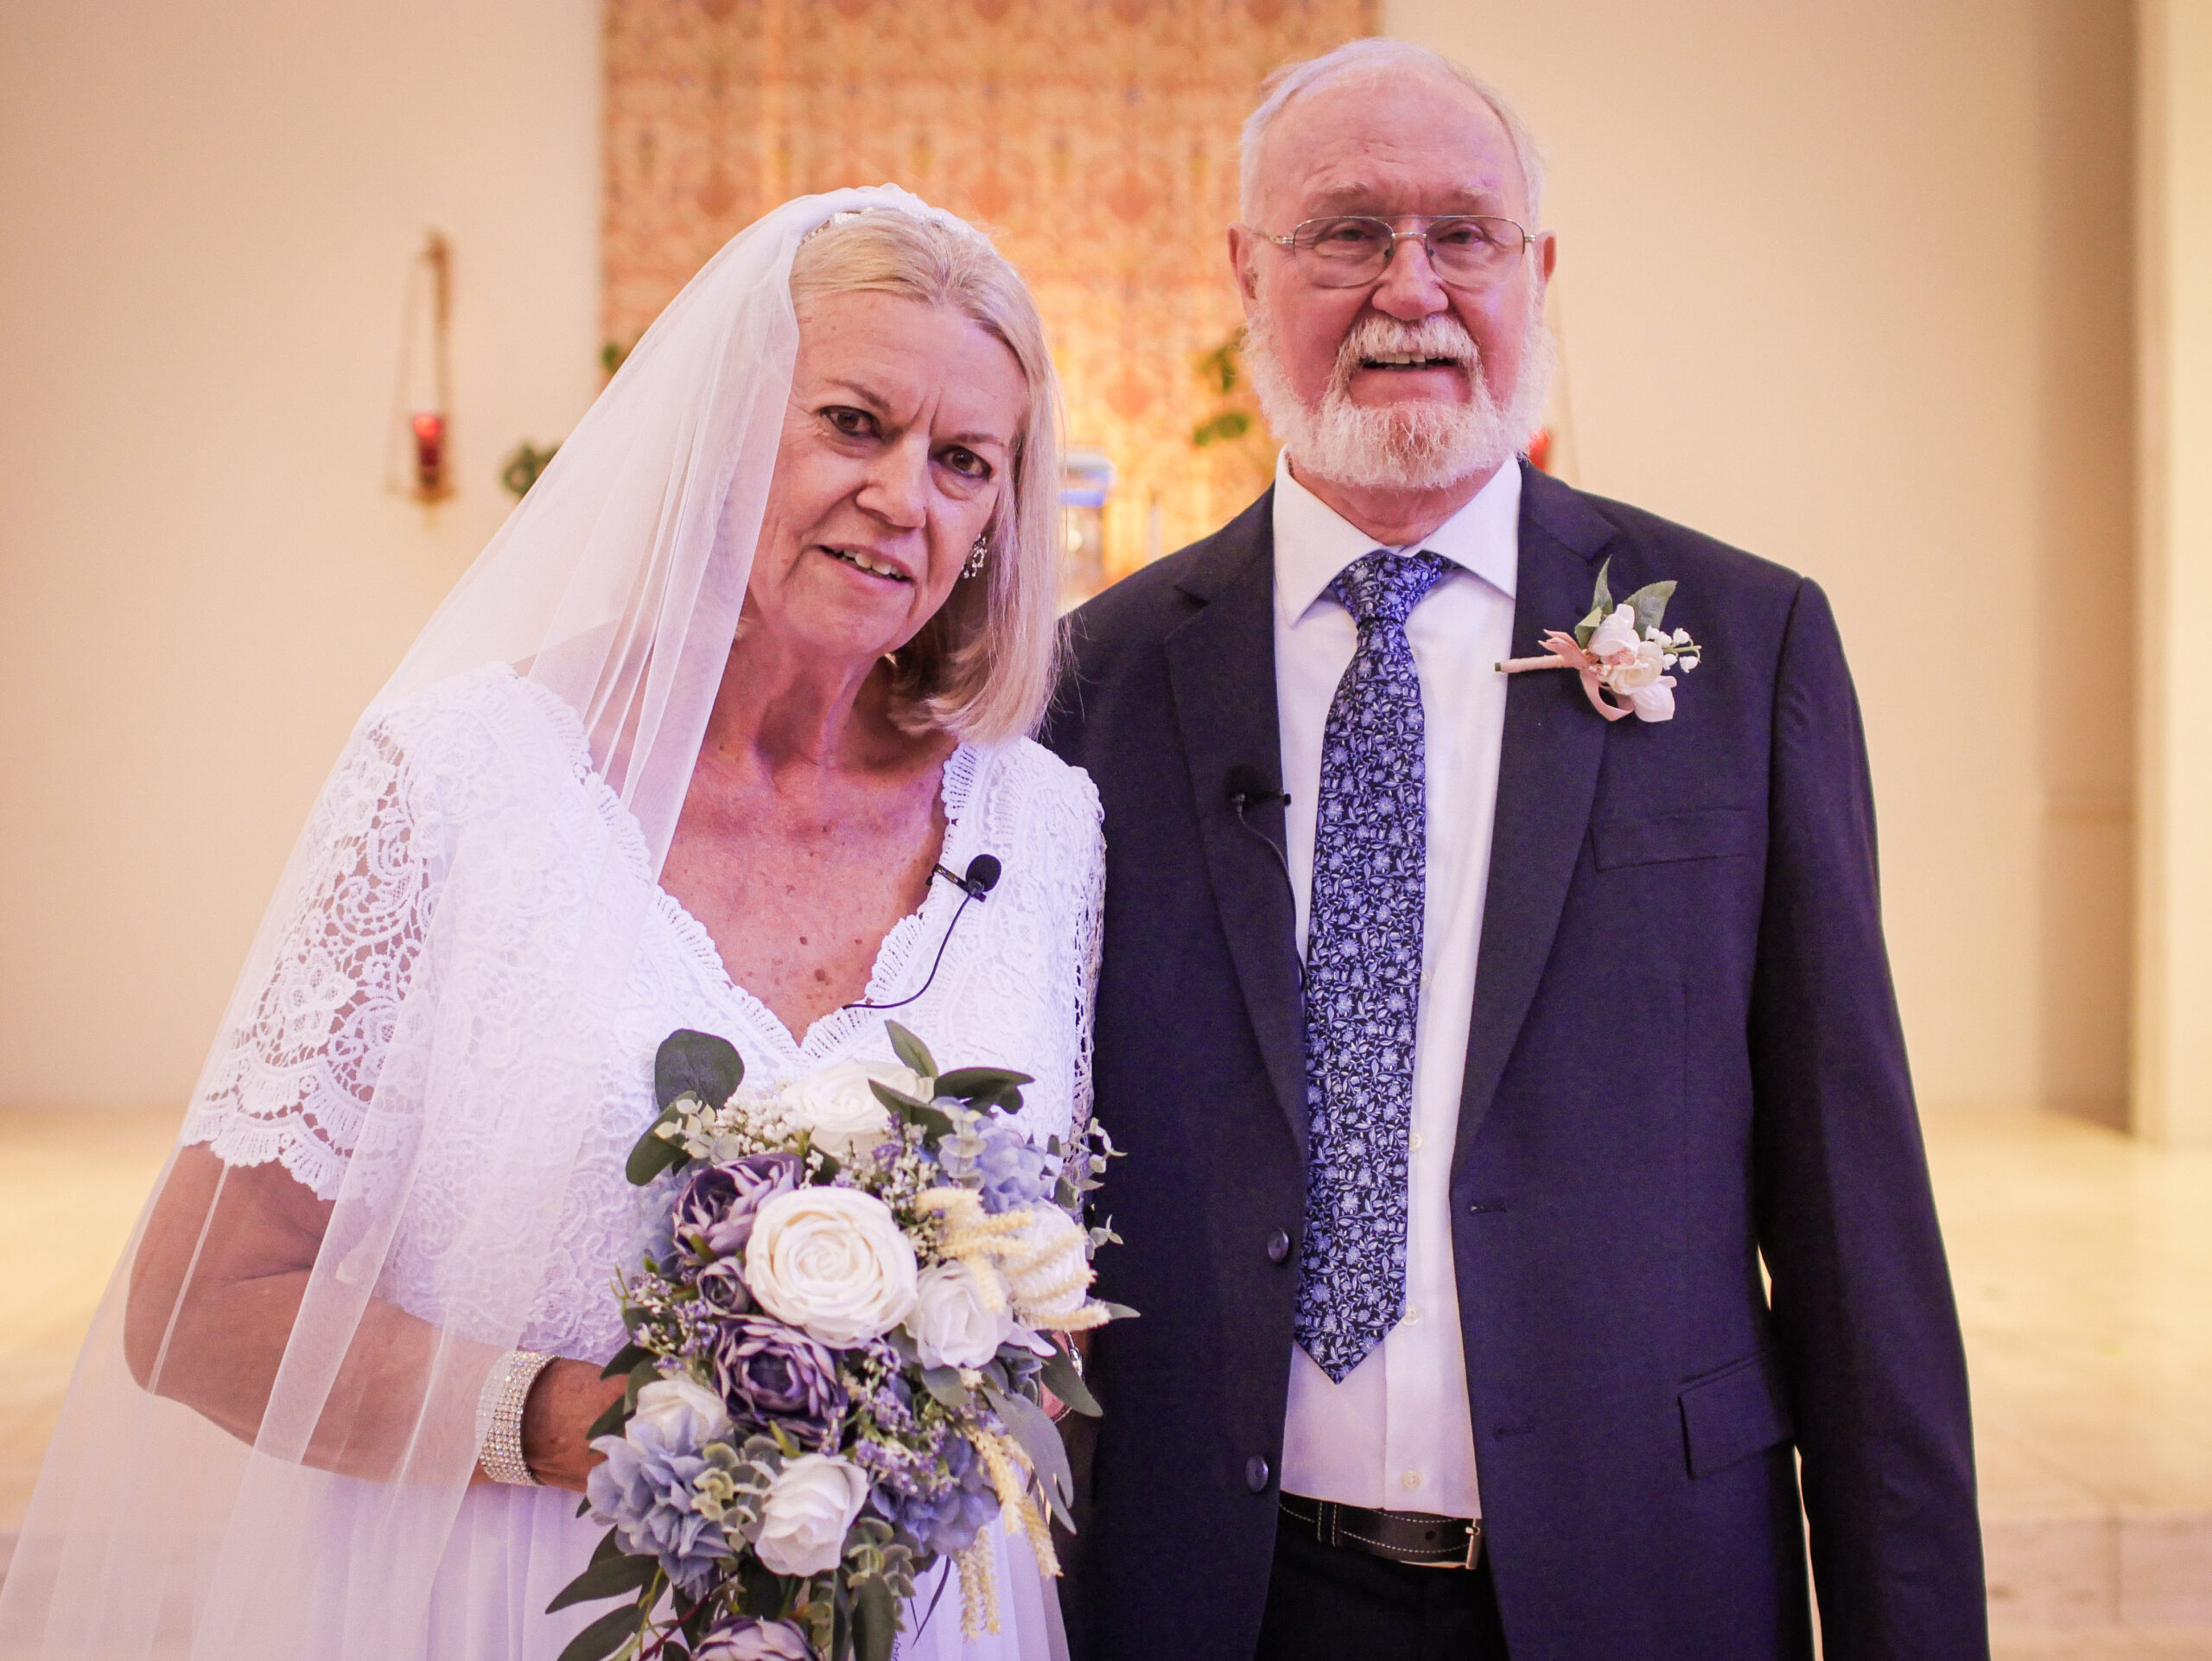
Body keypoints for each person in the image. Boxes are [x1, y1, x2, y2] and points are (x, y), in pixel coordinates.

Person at [0, 189, 1101, 1661]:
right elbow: (200, 1302)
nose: (906, 497)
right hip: (511, 1597)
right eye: (854, 424)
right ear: (723, 432)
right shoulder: (460, 775)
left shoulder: (1046, 824)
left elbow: (1047, 1278)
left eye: (965, 461)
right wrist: (591, 1425)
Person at [1044, 38, 1985, 1661]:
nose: (1410, 287)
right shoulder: (1090, 687)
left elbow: (1856, 1224)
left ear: (1537, 273)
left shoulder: (1747, 648)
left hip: (1645, 1579)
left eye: (1464, 234)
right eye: (1348, 231)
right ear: (1247, 273)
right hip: (1219, 1596)